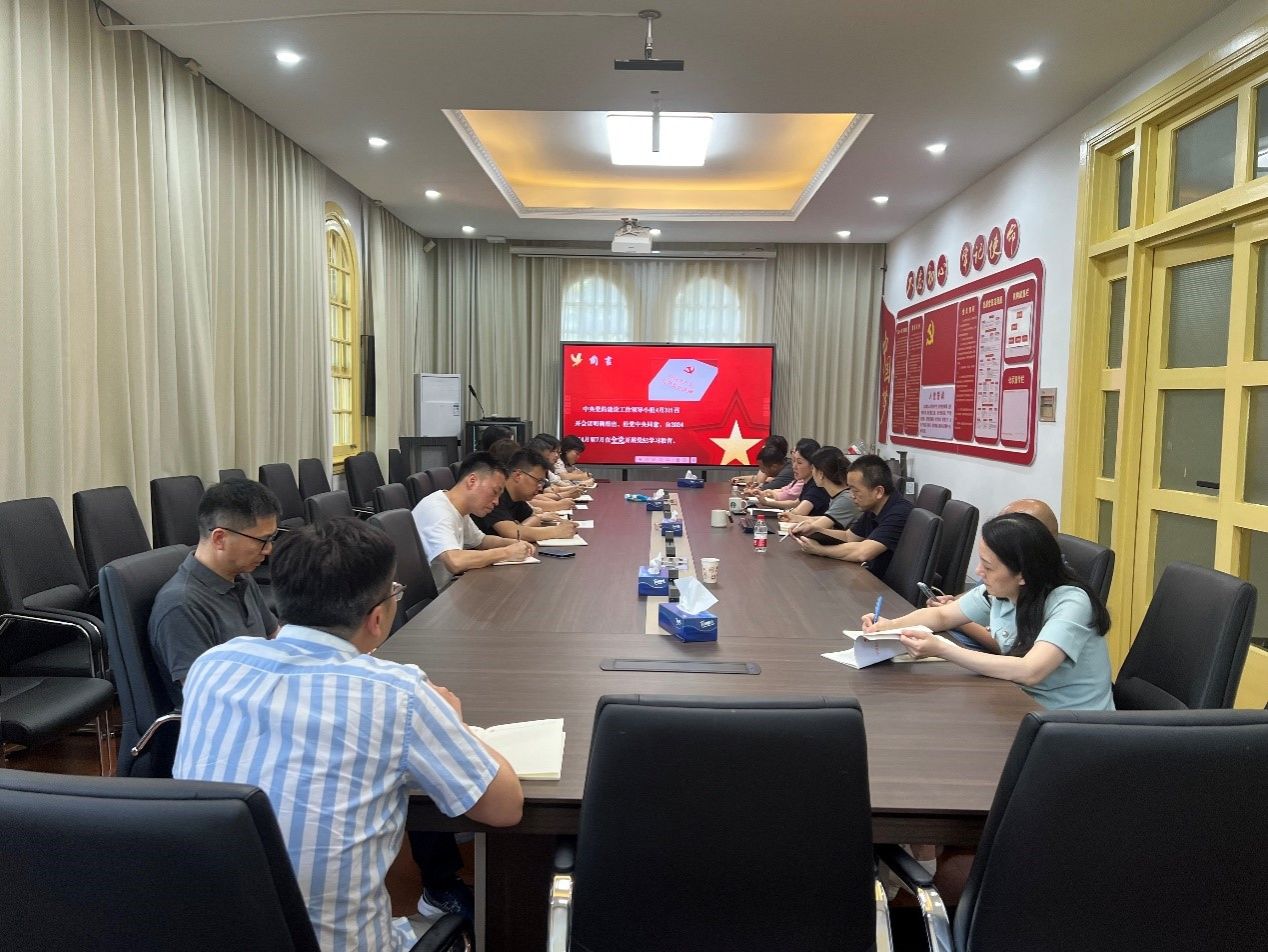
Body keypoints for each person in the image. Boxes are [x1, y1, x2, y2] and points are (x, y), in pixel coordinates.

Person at [173, 518, 524, 951]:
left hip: (209, 932)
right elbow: (505, 808)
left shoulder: (213, 666)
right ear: (377, 618)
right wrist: (455, 723)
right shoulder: (398, 693)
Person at [862, 511, 1115, 711]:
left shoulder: (1071, 603)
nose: (979, 572)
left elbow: (1031, 671)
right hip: (1019, 703)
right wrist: (887, 626)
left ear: (1023, 574)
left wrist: (943, 649)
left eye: (988, 566)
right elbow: (942, 615)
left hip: (1073, 723)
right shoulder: (1001, 591)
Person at [148, 477, 279, 707]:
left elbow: (274, 636)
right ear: (220, 538)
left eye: (271, 538)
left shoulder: (241, 577)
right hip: (236, 716)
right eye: (262, 540)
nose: (268, 549)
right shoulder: (181, 605)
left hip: (265, 694)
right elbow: (208, 699)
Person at [927, 497, 1061, 653]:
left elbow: (1011, 648)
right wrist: (953, 602)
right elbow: (981, 593)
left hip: (980, 652)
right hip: (958, 640)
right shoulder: (1002, 570)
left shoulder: (1057, 594)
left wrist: (958, 622)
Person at [412, 452, 535, 590]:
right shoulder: (438, 511)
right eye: (494, 492)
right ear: (472, 481)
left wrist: (512, 543)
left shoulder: (458, 508)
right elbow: (455, 561)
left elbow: (481, 541)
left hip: (448, 589)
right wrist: (507, 553)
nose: (496, 502)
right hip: (435, 598)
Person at [791, 453, 912, 577]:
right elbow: (849, 536)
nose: (851, 495)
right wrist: (815, 530)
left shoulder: (900, 512)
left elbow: (863, 552)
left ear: (878, 491)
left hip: (883, 585)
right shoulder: (873, 507)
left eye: (855, 490)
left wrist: (820, 550)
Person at [473, 447, 579, 543]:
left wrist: (521, 528)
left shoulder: (517, 497)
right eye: (538, 481)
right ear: (518, 475)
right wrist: (556, 531)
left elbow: (534, 519)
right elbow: (513, 533)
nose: (540, 487)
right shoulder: (495, 495)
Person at [785, 449, 858, 542]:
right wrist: (797, 518)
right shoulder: (839, 495)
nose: (812, 473)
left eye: (813, 469)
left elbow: (813, 529)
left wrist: (799, 527)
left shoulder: (846, 499)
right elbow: (827, 519)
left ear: (821, 474)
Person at [759, 439, 828, 517]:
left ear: (813, 465)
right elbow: (795, 503)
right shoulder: (807, 482)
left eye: (799, 462)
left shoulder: (817, 486)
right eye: (793, 461)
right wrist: (766, 503)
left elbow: (799, 512)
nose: (794, 466)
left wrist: (786, 512)